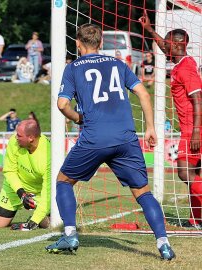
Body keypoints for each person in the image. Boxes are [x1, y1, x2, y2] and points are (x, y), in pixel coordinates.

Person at [45, 24, 175, 260]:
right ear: (101, 43)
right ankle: (163, 243)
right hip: (126, 137)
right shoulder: (117, 64)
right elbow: (144, 94)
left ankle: (70, 234)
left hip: (95, 137)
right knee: (143, 192)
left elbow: (62, 104)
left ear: (77, 43)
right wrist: (151, 128)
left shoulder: (72, 68)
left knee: (63, 181)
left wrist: (78, 118)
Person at [139, 12, 202, 229]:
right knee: (196, 174)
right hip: (191, 128)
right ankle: (196, 219)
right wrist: (148, 30)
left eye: (167, 44)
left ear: (177, 45)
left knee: (185, 173)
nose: (164, 47)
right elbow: (164, 46)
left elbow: (198, 100)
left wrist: (195, 132)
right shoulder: (181, 61)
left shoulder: (185, 68)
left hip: (193, 129)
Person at [0, 119, 50, 230]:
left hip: (40, 191)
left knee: (49, 225)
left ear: (31, 138)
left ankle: (38, 214)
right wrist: (22, 194)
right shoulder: (14, 141)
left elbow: (47, 193)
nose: (16, 137)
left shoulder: (48, 155)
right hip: (16, 186)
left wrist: (33, 222)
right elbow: (9, 171)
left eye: (19, 135)